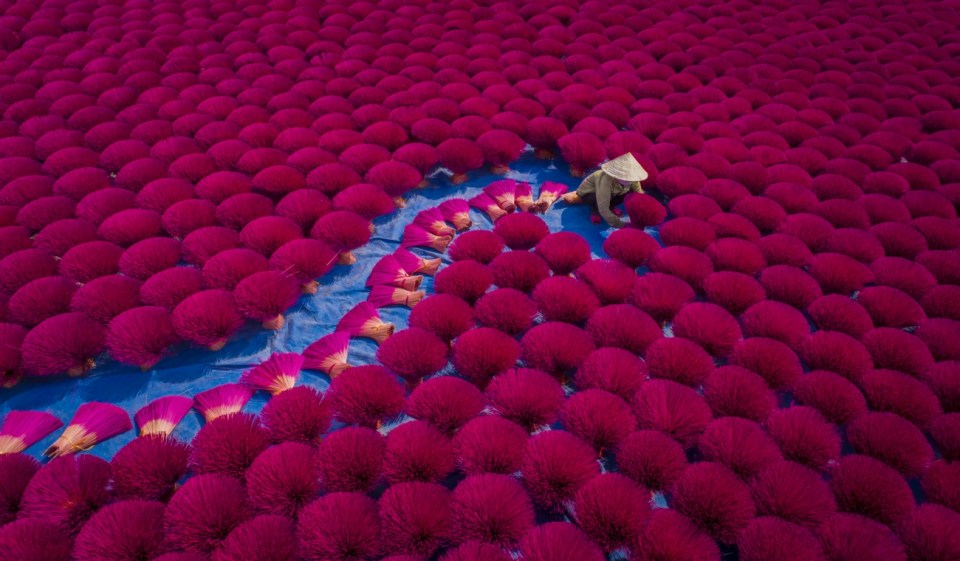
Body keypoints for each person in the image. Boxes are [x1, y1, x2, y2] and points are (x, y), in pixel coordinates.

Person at [559, 152, 647, 228]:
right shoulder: (605, 180)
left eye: (631, 178)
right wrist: (619, 224)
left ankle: (611, 207)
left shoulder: (633, 179)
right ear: (616, 175)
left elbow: (639, 194)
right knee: (596, 200)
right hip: (590, 194)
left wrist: (642, 211)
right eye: (625, 178)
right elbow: (603, 206)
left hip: (611, 194)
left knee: (627, 194)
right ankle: (595, 212)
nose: (629, 181)